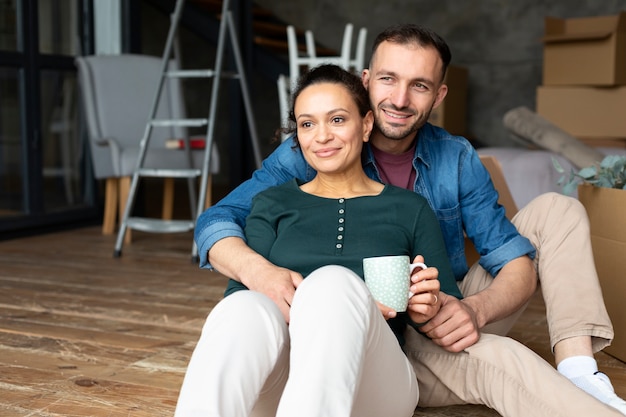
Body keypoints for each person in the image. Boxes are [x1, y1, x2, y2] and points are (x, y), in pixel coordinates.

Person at [191, 24, 626, 417]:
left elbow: (510, 257)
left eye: (419, 86)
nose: (399, 100)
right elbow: (217, 219)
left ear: (438, 96)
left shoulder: (454, 157)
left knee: (560, 209)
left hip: (438, 308)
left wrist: (473, 310)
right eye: (387, 79)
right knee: (294, 300)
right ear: (366, 83)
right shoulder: (313, 146)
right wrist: (259, 272)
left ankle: (579, 371)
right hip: (353, 323)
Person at [176, 64, 462, 416]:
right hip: (282, 382)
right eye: (307, 124)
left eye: (337, 119)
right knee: (240, 308)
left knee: (333, 283)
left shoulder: (410, 208)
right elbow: (245, 307)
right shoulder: (272, 203)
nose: (322, 136)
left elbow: (446, 305)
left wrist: (425, 305)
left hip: (378, 383)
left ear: (367, 124)